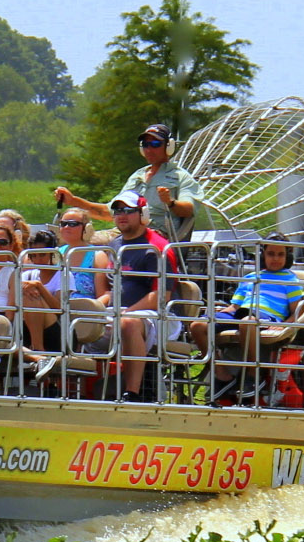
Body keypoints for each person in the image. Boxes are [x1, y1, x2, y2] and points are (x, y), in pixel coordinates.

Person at [188, 232, 304, 397]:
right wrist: (218, 313)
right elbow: (234, 306)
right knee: (198, 326)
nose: (275, 258)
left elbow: (298, 311)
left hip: (264, 316)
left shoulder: (291, 281)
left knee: (247, 322)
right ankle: (222, 375)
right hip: (240, 313)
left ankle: (253, 375)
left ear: (288, 257)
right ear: (263, 255)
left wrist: (285, 324)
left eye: (281, 254)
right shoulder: (250, 277)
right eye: (271, 254)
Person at [89, 192, 178, 401]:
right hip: (119, 311)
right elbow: (111, 291)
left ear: (143, 214)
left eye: (128, 211)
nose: (122, 215)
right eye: (118, 211)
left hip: (159, 316)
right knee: (78, 321)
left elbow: (160, 296)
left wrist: (127, 312)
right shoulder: (115, 246)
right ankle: (75, 389)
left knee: (128, 323)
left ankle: (133, 393)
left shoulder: (157, 248)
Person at [52, 123, 204, 241]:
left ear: (169, 147)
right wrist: (73, 201)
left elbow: (189, 210)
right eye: (145, 144)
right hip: (125, 232)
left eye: (156, 144)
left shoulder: (180, 177)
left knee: (93, 244)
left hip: (154, 235)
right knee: (72, 240)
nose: (149, 149)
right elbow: (109, 212)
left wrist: (170, 202)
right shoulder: (138, 176)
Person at [19, 227, 64, 353]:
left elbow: (60, 309)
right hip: (26, 327)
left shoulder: (63, 275)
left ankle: (38, 349)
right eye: (34, 255)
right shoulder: (27, 275)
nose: (38, 259)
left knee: (32, 297)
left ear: (54, 254)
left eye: (43, 254)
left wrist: (39, 286)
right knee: (27, 294)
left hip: (56, 332)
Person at [54, 208, 108, 302]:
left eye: (72, 224)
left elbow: (103, 294)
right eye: (63, 224)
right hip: (56, 307)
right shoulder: (56, 253)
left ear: (86, 228)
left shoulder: (97, 256)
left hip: (85, 309)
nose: (66, 227)